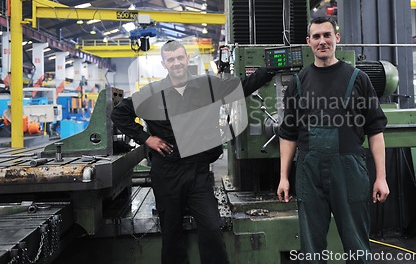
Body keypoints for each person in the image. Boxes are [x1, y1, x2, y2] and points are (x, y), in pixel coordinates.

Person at [111, 41, 274, 264]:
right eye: (171, 60)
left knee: (211, 228)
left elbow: (241, 87)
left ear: (187, 59)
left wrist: (270, 70)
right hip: (167, 173)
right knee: (171, 234)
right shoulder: (152, 93)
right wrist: (147, 138)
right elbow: (120, 114)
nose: (176, 63)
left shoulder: (206, 86)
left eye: (180, 58)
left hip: (198, 173)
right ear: (164, 64)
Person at [276, 17, 390, 264]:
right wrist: (284, 177)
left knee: (357, 245)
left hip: (349, 173)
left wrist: (381, 177)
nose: (322, 41)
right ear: (309, 43)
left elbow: (376, 131)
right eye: (316, 37)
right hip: (309, 172)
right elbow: (288, 133)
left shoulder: (359, 79)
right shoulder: (298, 82)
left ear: (337, 38)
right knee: (311, 249)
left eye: (327, 35)